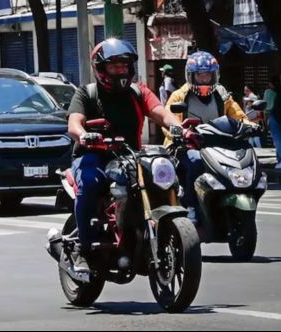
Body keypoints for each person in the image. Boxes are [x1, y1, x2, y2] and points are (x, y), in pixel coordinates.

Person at [67, 39, 185, 274]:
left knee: (163, 178)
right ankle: (83, 247)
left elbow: (160, 113)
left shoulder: (138, 91)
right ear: (100, 68)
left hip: (131, 157)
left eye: (124, 65)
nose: (120, 70)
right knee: (89, 184)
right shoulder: (87, 93)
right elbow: (74, 122)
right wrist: (83, 135)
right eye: (114, 66)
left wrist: (178, 128)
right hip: (94, 156)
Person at [165, 52, 259, 222]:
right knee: (196, 161)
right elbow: (169, 122)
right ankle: (191, 206)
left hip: (217, 146)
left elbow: (237, 114)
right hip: (185, 147)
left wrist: (250, 126)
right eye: (200, 75)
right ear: (191, 75)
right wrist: (181, 133)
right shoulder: (179, 95)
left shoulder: (221, 93)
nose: (205, 79)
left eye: (208, 75)